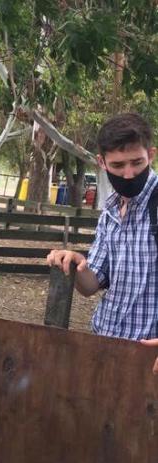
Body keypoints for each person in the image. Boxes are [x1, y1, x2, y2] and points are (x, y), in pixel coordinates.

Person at [47, 113, 157, 340]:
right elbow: (90, 286)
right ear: (102, 162)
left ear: (151, 156)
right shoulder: (110, 212)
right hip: (104, 342)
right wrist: (75, 263)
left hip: (149, 355)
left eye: (137, 162)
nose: (128, 174)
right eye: (118, 165)